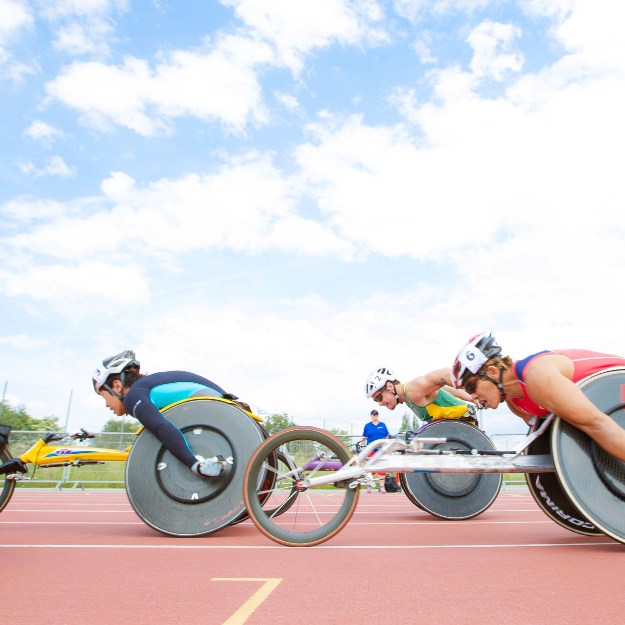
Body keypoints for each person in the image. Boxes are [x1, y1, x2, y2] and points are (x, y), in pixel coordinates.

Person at [450, 332, 625, 463]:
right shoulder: (516, 404)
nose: (471, 396)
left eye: (471, 386)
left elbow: (597, 426)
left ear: (493, 372)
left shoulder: (537, 376)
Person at [93, 350, 248, 477]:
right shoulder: (147, 387)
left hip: (217, 406)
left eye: (103, 396)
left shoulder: (134, 396)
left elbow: (161, 427)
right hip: (225, 404)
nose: (106, 405)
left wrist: (194, 465)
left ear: (117, 386)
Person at [364, 367, 477, 424]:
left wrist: (475, 394)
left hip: (463, 424)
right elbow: (443, 387)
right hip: (451, 426)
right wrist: (470, 397)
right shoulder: (407, 397)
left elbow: (445, 375)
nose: (380, 403)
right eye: (376, 401)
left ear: (389, 386)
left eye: (379, 397)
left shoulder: (412, 390)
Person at [359, 409, 390, 493]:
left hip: (381, 450)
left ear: (378, 415)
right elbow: (364, 437)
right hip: (370, 450)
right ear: (371, 416)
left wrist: (388, 448)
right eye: (373, 415)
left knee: (381, 468)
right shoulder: (367, 426)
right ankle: (369, 486)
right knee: (370, 468)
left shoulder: (383, 425)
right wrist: (361, 448)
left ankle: (382, 487)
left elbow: (387, 437)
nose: (375, 416)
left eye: (376, 415)